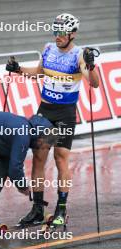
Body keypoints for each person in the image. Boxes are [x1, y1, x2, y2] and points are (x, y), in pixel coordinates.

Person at [6, 13, 99, 227]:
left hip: (65, 114)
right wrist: (18, 69)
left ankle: (61, 209)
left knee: (60, 159)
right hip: (45, 111)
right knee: (38, 157)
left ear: (72, 34)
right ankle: (38, 209)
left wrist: (91, 65)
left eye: (62, 32)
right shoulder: (48, 48)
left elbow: (94, 84)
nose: (57, 36)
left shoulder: (79, 55)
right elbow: (38, 72)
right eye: (55, 31)